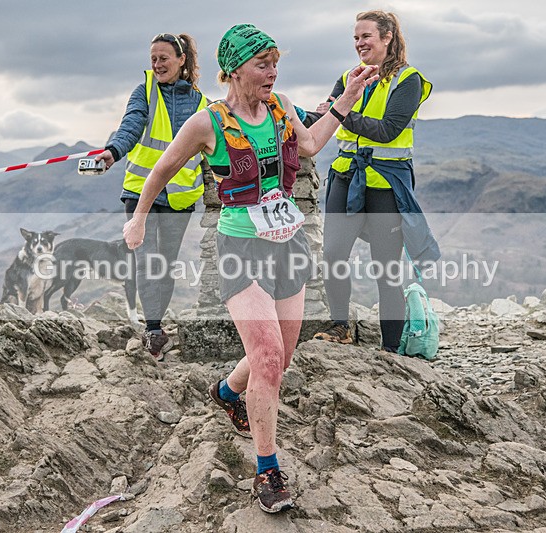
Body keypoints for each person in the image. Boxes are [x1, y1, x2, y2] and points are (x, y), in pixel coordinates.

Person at [123, 24, 378, 513]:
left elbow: (309, 146)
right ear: (235, 68)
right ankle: (267, 471)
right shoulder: (207, 123)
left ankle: (225, 390)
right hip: (241, 248)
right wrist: (138, 219)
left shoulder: (279, 107)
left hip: (290, 243)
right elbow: (162, 168)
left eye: (275, 63)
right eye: (263, 64)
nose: (273, 72)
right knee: (265, 358)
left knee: (279, 356)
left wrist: (344, 100)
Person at [309, 10, 440, 352]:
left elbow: (387, 131)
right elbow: (324, 119)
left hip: (385, 185)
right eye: (355, 38)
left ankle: (391, 349)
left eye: (366, 36)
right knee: (334, 254)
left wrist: (339, 114)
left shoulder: (409, 80)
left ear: (387, 37)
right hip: (346, 177)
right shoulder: (348, 76)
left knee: (386, 268)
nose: (359, 43)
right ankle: (340, 327)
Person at [95, 33, 207, 361]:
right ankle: (154, 330)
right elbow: (131, 125)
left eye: (164, 58)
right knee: (146, 261)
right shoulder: (144, 90)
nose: (157, 64)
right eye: (153, 59)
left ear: (182, 60)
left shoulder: (201, 101)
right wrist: (113, 152)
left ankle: (155, 325)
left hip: (180, 196)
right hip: (140, 190)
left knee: (165, 264)